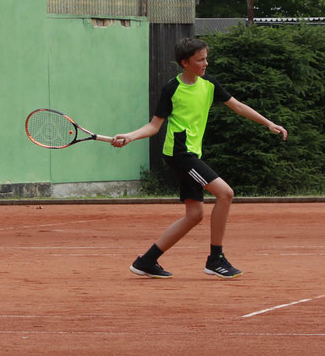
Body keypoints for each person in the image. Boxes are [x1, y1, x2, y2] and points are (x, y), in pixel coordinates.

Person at [111, 37, 287, 279]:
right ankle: (216, 259)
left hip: (192, 153)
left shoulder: (209, 85)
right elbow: (154, 126)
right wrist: (130, 136)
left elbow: (238, 106)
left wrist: (268, 123)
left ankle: (146, 261)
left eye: (206, 58)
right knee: (225, 193)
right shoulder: (171, 89)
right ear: (185, 62)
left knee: (195, 215)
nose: (206, 63)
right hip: (180, 154)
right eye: (200, 59)